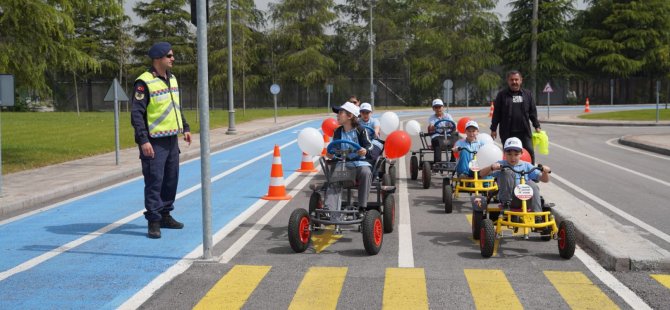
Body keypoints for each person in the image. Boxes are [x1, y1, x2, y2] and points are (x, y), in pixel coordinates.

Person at [131, 42, 192, 239]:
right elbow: (137, 114)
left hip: (171, 139)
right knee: (154, 181)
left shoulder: (172, 79)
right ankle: (154, 221)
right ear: (158, 58)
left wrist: (185, 127)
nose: (173, 59)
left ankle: (165, 215)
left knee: (170, 180)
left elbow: (175, 106)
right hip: (153, 142)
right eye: (169, 56)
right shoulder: (144, 82)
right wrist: (143, 141)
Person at [479, 137, 551, 213]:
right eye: (509, 154)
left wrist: (545, 172)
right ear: (504, 154)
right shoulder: (501, 164)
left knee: (532, 184)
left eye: (516, 154)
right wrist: (491, 167)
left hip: (525, 199)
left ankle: (537, 214)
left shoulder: (526, 165)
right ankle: (506, 204)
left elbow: (545, 180)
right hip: (510, 200)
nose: (512, 158)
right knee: (507, 172)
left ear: (521, 154)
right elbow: (481, 174)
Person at [327, 102, 373, 218]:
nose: (337, 115)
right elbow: (334, 148)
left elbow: (370, 145)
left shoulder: (360, 130)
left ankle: (362, 207)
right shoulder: (338, 131)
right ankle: (332, 212)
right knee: (335, 177)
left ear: (350, 116)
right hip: (344, 163)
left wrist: (365, 150)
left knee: (366, 172)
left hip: (359, 163)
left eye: (340, 112)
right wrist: (331, 154)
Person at [490, 70, 541, 164]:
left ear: (521, 80)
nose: (514, 82)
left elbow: (532, 112)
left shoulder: (527, 94)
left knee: (529, 152)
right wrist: (493, 129)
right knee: (509, 154)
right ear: (508, 81)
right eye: (511, 80)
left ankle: (531, 175)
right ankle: (509, 174)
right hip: (507, 132)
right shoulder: (502, 95)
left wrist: (536, 125)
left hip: (524, 131)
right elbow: (496, 113)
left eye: (516, 79)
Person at [427, 98, 457, 164]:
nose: (438, 109)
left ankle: (453, 161)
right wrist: (432, 127)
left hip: (447, 135)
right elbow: (431, 125)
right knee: (437, 141)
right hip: (437, 135)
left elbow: (452, 123)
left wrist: (451, 125)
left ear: (443, 107)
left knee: (456, 140)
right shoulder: (432, 118)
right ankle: (437, 163)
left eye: (440, 107)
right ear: (433, 109)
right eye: (436, 107)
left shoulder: (448, 116)